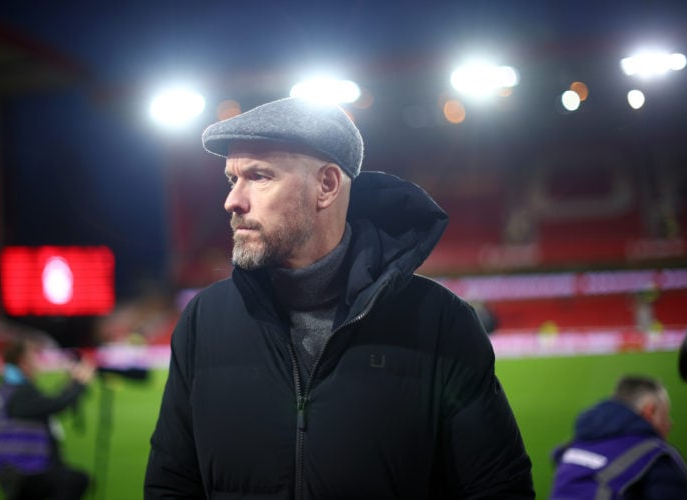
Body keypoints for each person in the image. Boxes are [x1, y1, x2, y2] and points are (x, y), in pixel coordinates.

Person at [145, 97, 534, 498]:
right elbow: (170, 484)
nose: (233, 201)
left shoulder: (441, 323)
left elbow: (500, 489)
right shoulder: (203, 322)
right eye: (232, 179)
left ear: (326, 186)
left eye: (259, 176)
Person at [551, 375, 687, 499]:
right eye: (665, 415)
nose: (670, 424)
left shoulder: (574, 446)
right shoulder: (658, 458)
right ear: (649, 411)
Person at [0, 337, 95, 499]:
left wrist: (70, 384)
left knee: (71, 480)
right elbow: (54, 405)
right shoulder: (20, 391)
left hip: (16, 468)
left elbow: (45, 404)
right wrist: (79, 383)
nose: (38, 360)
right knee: (75, 481)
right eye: (33, 356)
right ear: (23, 361)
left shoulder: (10, 385)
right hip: (22, 470)